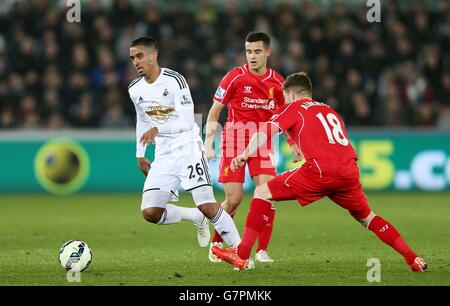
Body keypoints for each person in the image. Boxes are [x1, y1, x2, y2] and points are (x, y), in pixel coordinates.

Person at [212, 72, 428, 272]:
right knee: (368, 218)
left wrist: (245, 154)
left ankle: (241, 255)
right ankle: (413, 258)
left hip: (321, 170)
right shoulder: (329, 110)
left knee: (262, 192)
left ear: (292, 94)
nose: (283, 101)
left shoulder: (295, 107)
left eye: (285, 97)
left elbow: (265, 130)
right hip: (349, 172)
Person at [128, 36, 242, 251]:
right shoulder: (134, 88)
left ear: (154, 55)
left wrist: (158, 129)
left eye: (140, 56)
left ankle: (241, 252)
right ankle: (194, 216)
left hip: (188, 148)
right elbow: (142, 119)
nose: (136, 62)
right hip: (163, 154)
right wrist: (140, 152)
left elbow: (188, 121)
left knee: (208, 205)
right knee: (150, 212)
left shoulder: (174, 80)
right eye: (133, 57)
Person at [205, 32, 301, 263]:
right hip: (234, 140)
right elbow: (215, 110)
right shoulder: (234, 77)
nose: (252, 56)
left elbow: (286, 117)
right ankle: (217, 242)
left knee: (268, 195)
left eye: (257, 51)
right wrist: (209, 141)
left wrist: (293, 144)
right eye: (249, 51)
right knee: (234, 199)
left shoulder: (279, 83)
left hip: (262, 142)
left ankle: (262, 250)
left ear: (268, 52)